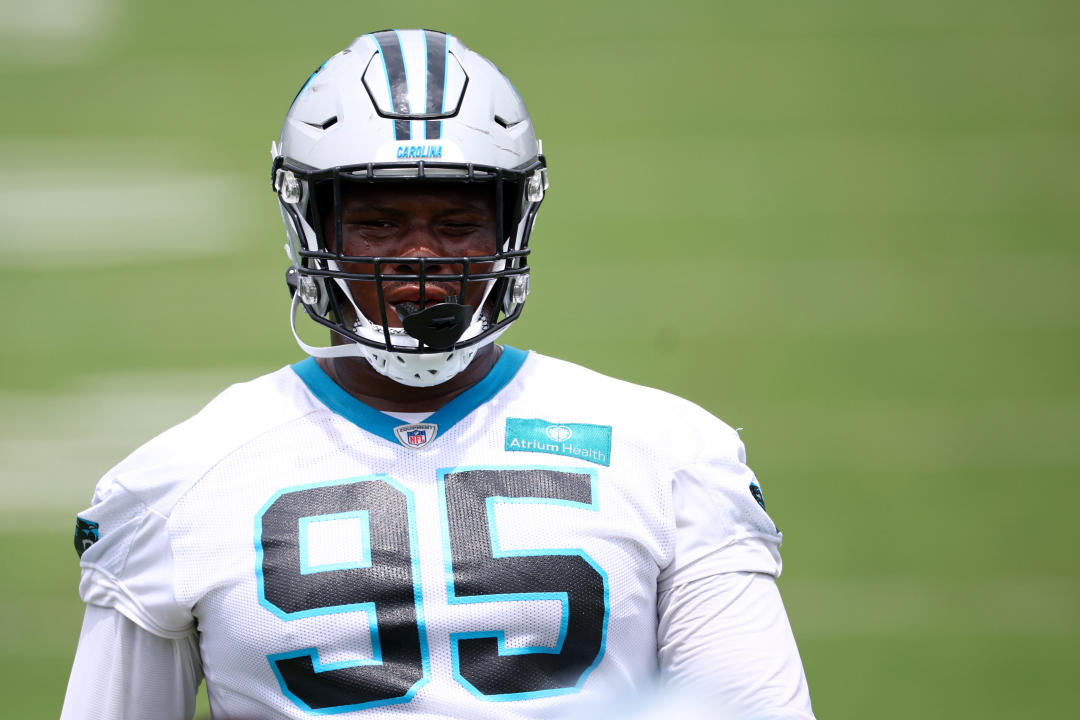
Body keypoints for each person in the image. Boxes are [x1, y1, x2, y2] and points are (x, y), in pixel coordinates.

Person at [62, 30, 815, 719]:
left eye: (456, 225)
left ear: (511, 226)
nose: (420, 260)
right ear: (310, 224)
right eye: (380, 223)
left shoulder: (669, 455)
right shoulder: (178, 482)